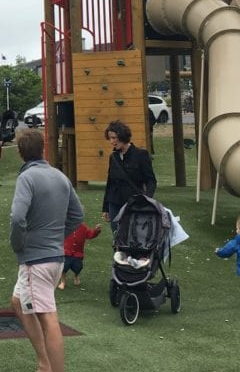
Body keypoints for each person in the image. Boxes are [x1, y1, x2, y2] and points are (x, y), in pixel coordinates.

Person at [10, 129, 84, 372]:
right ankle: (44, 361)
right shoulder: (59, 176)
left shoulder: (27, 178)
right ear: (42, 149)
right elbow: (77, 215)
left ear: (21, 153)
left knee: (48, 316)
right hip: (54, 259)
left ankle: (51, 367)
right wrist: (57, 237)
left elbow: (18, 217)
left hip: (36, 260)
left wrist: (18, 244)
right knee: (18, 301)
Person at [101, 119, 157, 231]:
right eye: (110, 138)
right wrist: (106, 207)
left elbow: (151, 181)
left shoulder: (141, 155)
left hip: (133, 203)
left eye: (114, 138)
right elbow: (110, 182)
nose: (111, 142)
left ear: (122, 136)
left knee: (132, 236)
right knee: (116, 237)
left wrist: (146, 200)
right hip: (114, 203)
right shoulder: (113, 157)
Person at [58, 215, 101, 289]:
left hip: (78, 253)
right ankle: (63, 281)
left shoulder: (83, 227)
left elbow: (90, 235)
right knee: (63, 268)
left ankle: (76, 276)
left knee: (78, 267)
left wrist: (96, 231)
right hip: (66, 252)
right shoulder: (64, 226)